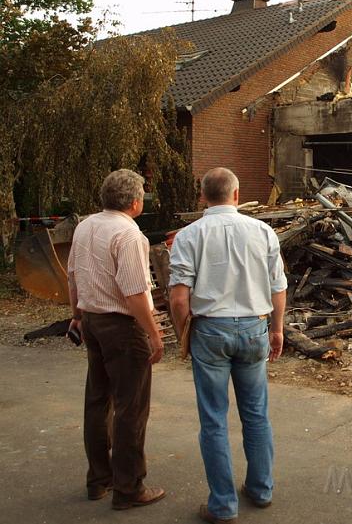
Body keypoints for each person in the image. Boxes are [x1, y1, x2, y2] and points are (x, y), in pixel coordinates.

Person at [169, 167, 287, 524]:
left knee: (214, 420)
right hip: (254, 328)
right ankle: (261, 489)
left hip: (210, 331)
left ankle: (223, 505)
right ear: (236, 195)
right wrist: (277, 330)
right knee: (256, 414)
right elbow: (278, 287)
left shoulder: (189, 236)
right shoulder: (263, 231)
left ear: (203, 196)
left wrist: (182, 336)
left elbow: (178, 299)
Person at [67, 169, 166, 510]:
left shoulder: (85, 226)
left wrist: (77, 315)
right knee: (131, 407)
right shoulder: (129, 235)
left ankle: (99, 480)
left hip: (92, 319)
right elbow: (136, 293)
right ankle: (129, 487)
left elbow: (73, 275)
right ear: (136, 202)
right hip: (122, 327)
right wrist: (154, 334)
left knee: (98, 400)